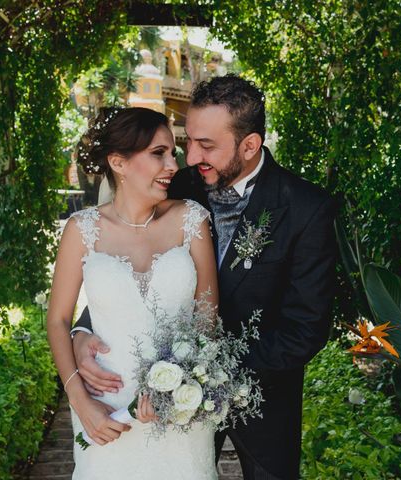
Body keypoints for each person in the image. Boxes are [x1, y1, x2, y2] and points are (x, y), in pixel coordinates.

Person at [72, 75, 338, 479]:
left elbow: (306, 328)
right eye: (189, 141)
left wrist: (204, 371)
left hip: (262, 401)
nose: (191, 157)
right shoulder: (173, 184)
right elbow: (129, 263)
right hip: (162, 403)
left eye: (207, 145)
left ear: (250, 145)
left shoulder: (306, 208)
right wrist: (81, 332)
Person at [46, 107, 219, 480]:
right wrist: (80, 400)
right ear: (118, 163)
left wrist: (182, 386)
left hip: (179, 411)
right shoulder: (82, 229)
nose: (172, 165)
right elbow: (58, 319)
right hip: (104, 409)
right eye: (158, 153)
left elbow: (207, 319)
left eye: (172, 152)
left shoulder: (192, 220)